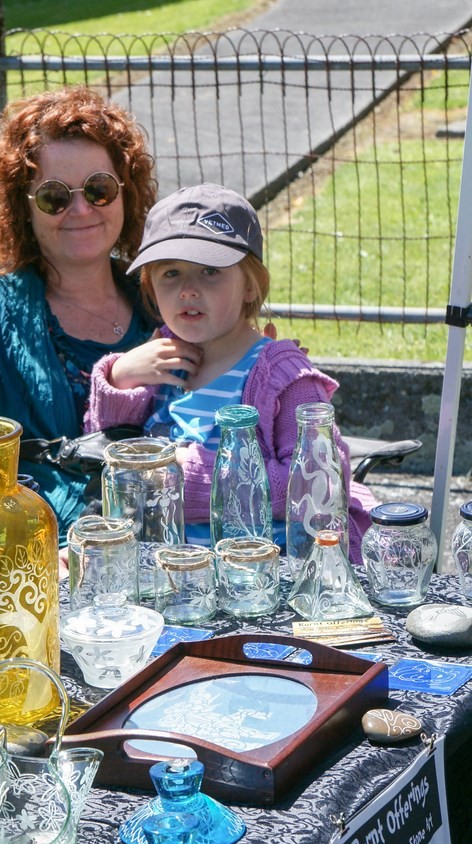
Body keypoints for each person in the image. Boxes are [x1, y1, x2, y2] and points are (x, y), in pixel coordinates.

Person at [0, 85, 165, 541]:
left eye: (99, 190)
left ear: (127, 193)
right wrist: (19, 554)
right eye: (54, 197)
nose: (80, 209)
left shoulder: (164, 299)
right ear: (22, 209)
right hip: (28, 564)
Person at [83, 183, 374, 561]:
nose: (188, 289)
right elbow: (102, 455)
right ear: (151, 287)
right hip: (166, 569)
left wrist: (187, 479)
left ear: (250, 286)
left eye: (210, 271)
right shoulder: (157, 360)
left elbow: (322, 487)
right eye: (171, 272)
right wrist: (121, 378)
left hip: (261, 573)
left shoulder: (282, 377)